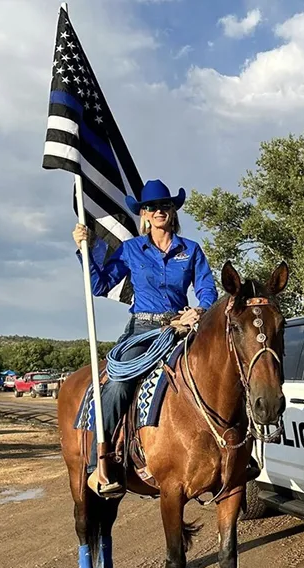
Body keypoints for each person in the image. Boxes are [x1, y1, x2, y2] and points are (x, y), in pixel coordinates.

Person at [73, 179, 218, 496]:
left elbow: (207, 289)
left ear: (172, 210)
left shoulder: (190, 250)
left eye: (164, 205)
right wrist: (87, 249)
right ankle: (97, 464)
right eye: (151, 207)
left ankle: (234, 452)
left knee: (218, 373)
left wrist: (200, 311)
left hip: (181, 327)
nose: (158, 210)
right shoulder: (131, 250)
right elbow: (100, 284)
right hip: (143, 330)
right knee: (119, 384)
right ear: (144, 214)